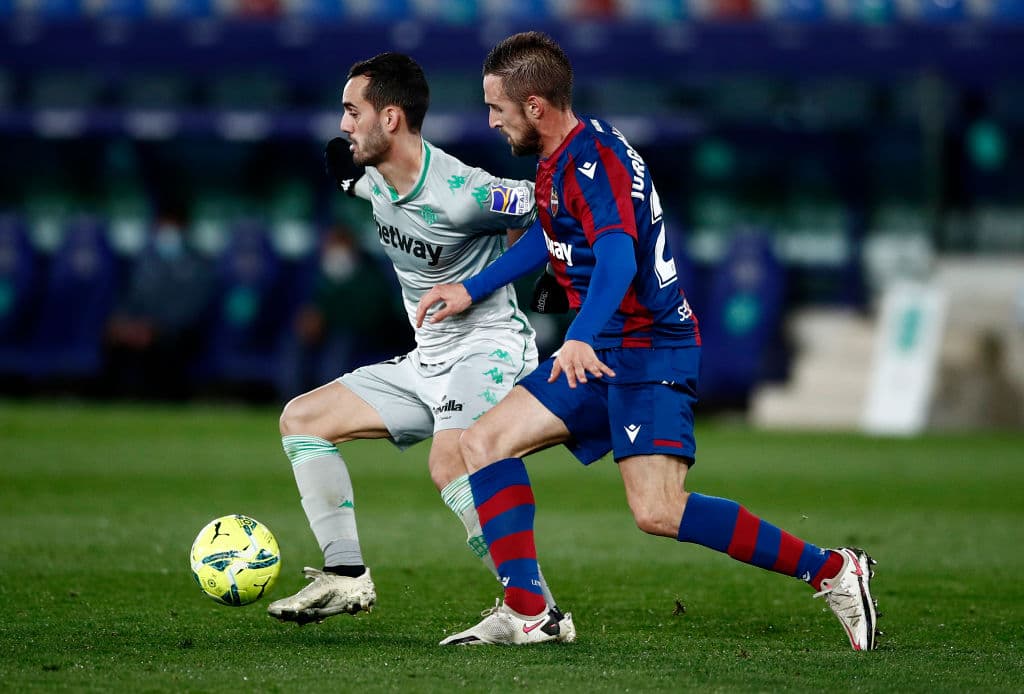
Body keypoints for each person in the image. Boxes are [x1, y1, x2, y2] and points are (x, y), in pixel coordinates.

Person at [417, 32, 879, 650]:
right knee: (483, 444)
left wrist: (579, 336)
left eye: (497, 108)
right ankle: (528, 613)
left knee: (658, 510)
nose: (491, 120)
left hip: (647, 350)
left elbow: (618, 259)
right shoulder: (567, 152)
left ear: (534, 106)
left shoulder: (594, 163)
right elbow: (551, 235)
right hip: (601, 348)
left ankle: (833, 570)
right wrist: (472, 289)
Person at [267, 52, 574, 643]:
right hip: (428, 356)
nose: (344, 124)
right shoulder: (373, 177)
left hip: (488, 347)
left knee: (448, 462)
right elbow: (349, 172)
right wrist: (344, 169)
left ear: (391, 118)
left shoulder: (463, 191)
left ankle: (536, 610)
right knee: (302, 420)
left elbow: (551, 210)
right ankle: (346, 575)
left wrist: (494, 282)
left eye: (353, 111)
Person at [104, 202, 215, 400]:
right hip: (139, 330)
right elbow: (128, 297)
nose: (167, 231)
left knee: (168, 347)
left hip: (175, 334)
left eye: (172, 225)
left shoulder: (197, 263)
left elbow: (193, 309)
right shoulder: (144, 260)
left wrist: (155, 327)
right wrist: (125, 323)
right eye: (163, 224)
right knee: (115, 340)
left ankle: (166, 397)